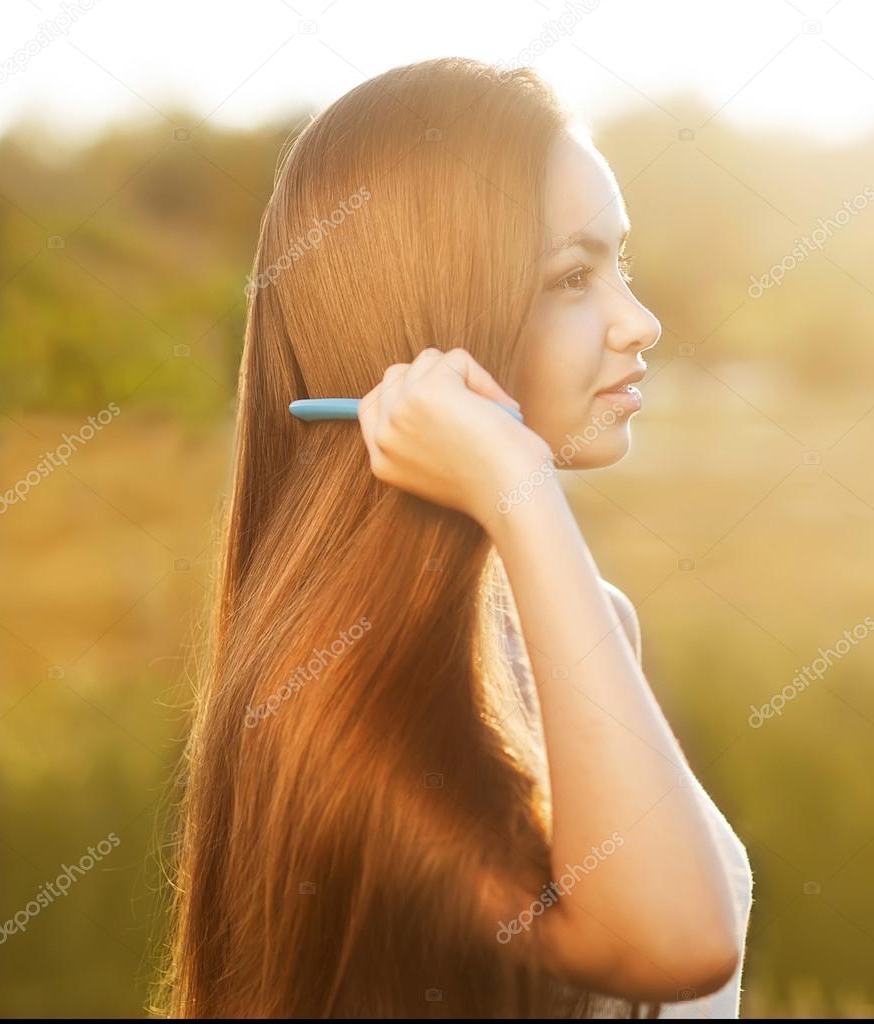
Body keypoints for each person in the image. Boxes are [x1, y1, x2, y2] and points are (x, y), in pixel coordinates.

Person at [153, 56, 753, 1019]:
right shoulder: (334, 700)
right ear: (436, 316)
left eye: (621, 264)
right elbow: (677, 944)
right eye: (571, 277)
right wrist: (520, 493)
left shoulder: (585, 627)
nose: (638, 321)